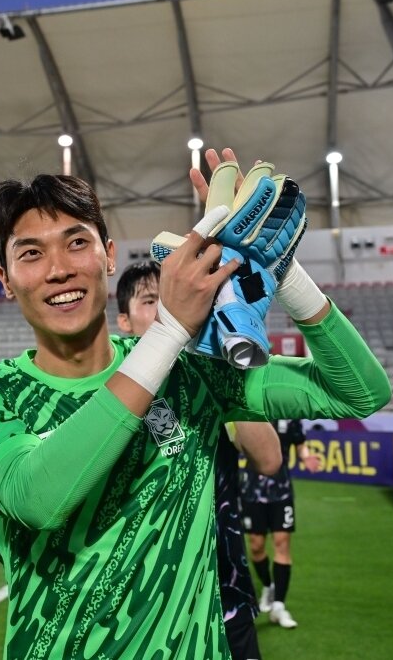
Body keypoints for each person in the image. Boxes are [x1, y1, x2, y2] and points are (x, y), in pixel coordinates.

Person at [0, 146, 391, 658]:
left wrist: (278, 267)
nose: (58, 269)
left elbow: (359, 391)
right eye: (31, 253)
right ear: (5, 280)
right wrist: (171, 329)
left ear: (108, 256)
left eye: (76, 243)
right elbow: (37, 499)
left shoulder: (187, 369)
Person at [116, 262, 280, 660]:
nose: (164, 309)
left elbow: (269, 458)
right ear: (123, 321)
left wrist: (224, 373)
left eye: (170, 298)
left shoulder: (208, 375)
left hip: (226, 591)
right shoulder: (111, 391)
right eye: (151, 300)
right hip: (147, 607)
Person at [241, 418, 320, 629]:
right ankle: (268, 585)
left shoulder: (291, 417)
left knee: (282, 543)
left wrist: (307, 457)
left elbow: (300, 445)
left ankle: (279, 606)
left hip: (281, 491)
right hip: (252, 491)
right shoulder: (251, 411)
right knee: (256, 547)